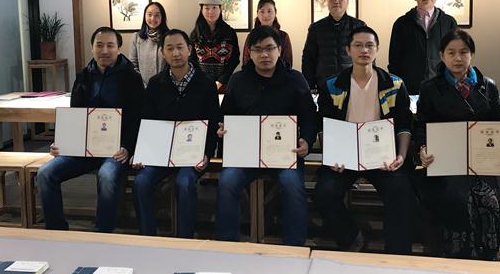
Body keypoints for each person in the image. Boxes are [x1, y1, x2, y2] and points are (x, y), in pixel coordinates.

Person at [415, 29, 500, 260]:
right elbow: (421, 126)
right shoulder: (430, 88)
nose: (458, 58)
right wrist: (422, 149)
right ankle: (455, 254)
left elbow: (499, 126)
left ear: (472, 55)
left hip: (483, 162)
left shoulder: (488, 86)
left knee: (489, 198)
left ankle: (487, 254)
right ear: (442, 55)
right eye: (451, 52)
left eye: (464, 52)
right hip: (446, 163)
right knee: (454, 196)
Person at [314, 25, 415, 255]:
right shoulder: (332, 85)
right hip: (345, 158)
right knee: (324, 193)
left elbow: (404, 124)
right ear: (348, 50)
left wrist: (400, 156)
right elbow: (325, 125)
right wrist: (332, 156)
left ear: (377, 49)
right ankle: (351, 238)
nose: (364, 50)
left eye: (370, 45)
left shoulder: (395, 85)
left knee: (402, 191)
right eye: (358, 45)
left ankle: (397, 253)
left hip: (382, 158)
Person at [215, 26, 317, 246]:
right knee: (227, 182)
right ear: (249, 53)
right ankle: (226, 245)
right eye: (258, 49)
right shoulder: (238, 80)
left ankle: (294, 246)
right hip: (245, 156)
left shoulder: (295, 79)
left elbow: (310, 117)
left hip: (284, 155)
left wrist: (307, 141)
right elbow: (224, 117)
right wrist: (221, 129)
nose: (264, 55)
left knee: (292, 185)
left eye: (270, 48)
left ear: (279, 50)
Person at [37, 26, 144, 232]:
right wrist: (61, 142)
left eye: (110, 45)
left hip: (115, 150)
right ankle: (56, 231)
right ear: (92, 48)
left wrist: (128, 147)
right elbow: (74, 115)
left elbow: (137, 118)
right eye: (99, 45)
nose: (104, 50)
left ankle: (103, 233)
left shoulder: (131, 78)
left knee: (107, 175)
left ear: (119, 48)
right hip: (82, 150)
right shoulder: (83, 76)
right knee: (45, 173)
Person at [132, 29, 220, 238]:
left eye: (180, 47)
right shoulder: (155, 83)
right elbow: (146, 120)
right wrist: (141, 152)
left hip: (191, 153)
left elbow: (212, 123)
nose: (176, 53)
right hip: (159, 153)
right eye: (170, 48)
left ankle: (184, 239)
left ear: (189, 49)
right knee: (141, 182)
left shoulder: (206, 83)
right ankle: (147, 237)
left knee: (184, 182)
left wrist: (206, 154)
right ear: (163, 53)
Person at [388, 0, 458, 94]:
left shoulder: (449, 22)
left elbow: (456, 53)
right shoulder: (401, 23)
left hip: (442, 85)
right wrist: (397, 87)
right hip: (410, 87)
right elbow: (394, 59)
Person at [302, 0, 365, 90]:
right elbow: (308, 59)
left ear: (347, 1)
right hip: (324, 86)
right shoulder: (316, 28)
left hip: (353, 85)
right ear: (327, 1)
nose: (336, 1)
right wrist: (310, 85)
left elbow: (367, 56)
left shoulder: (359, 26)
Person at [190, 0, 240, 93]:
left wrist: (221, 81)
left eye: (214, 7)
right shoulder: (195, 33)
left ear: (220, 9)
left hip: (224, 84)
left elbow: (234, 59)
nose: (211, 11)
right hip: (200, 82)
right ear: (201, 10)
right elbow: (192, 59)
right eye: (207, 8)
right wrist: (201, 78)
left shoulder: (229, 32)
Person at [242, 0, 293, 67]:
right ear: (257, 14)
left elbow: (288, 63)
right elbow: (246, 62)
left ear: (275, 13)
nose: (266, 15)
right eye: (262, 11)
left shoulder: (283, 36)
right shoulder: (251, 35)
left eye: (269, 11)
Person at [130, 2, 170, 86]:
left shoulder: (169, 37)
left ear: (162, 17)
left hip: (165, 85)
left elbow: (172, 63)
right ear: (145, 16)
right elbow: (133, 64)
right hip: (143, 86)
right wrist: (141, 83)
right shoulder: (136, 37)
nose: (153, 18)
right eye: (149, 14)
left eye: (157, 15)